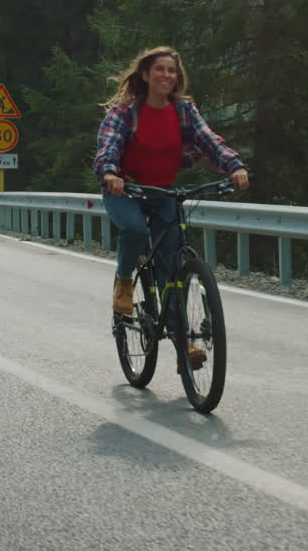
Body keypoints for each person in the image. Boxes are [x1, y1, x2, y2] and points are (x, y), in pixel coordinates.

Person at [93, 47, 249, 368]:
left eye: (172, 71)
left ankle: (186, 343)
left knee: (171, 270)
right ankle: (124, 282)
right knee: (135, 229)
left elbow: (209, 141)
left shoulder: (183, 112)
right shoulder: (125, 113)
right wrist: (110, 173)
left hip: (163, 192)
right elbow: (109, 145)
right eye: (160, 70)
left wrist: (233, 165)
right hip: (125, 190)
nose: (167, 75)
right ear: (146, 76)